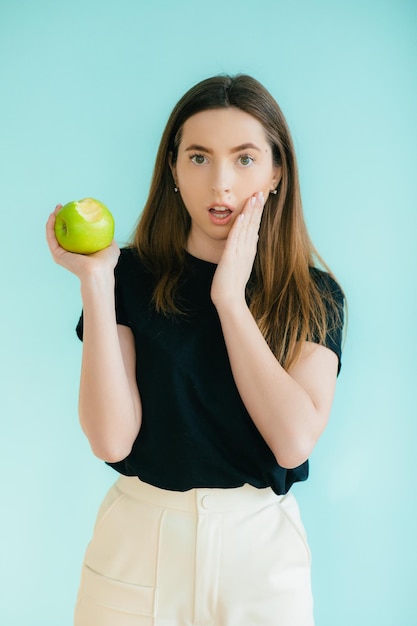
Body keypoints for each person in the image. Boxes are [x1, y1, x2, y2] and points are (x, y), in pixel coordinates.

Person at [46, 74, 344, 626]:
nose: (221, 183)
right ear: (174, 170)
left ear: (278, 172)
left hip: (260, 559)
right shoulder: (127, 277)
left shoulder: (313, 295)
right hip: (137, 545)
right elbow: (110, 438)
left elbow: (293, 443)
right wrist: (96, 281)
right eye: (200, 157)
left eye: (246, 158)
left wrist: (229, 299)